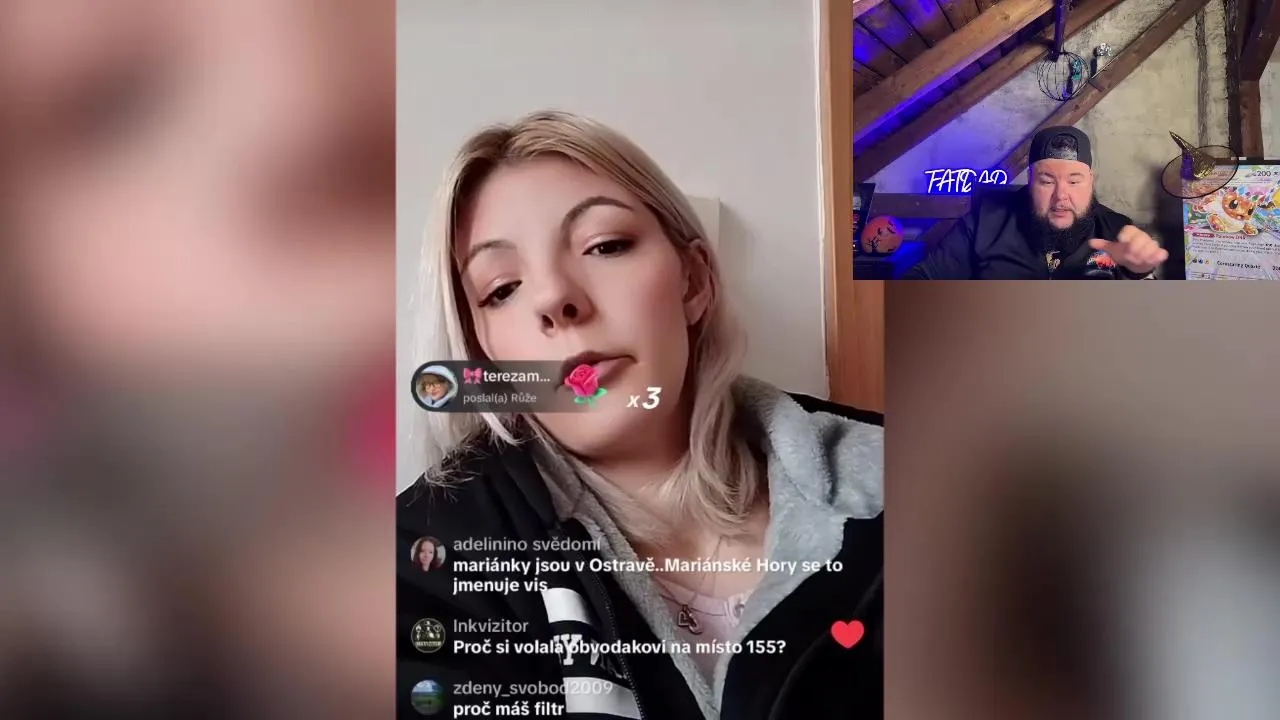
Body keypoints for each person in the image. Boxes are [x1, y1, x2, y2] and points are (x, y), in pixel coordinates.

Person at [397, 111, 884, 719]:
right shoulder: (421, 562)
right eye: (501, 289)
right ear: (485, 354)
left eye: (605, 246)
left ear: (693, 282)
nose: (554, 298)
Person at [903, 126, 1169, 279]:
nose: (1061, 195)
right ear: (1030, 181)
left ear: (1091, 181)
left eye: (1074, 181)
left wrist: (1139, 271)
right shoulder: (985, 221)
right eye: (1047, 181)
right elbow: (922, 278)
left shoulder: (1116, 230)